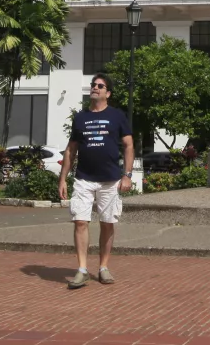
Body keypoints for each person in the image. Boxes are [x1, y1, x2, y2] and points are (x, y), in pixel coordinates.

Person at [58, 73, 133, 289]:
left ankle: (103, 267)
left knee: (108, 223)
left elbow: (128, 145)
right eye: (93, 85)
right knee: (80, 221)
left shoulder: (117, 116)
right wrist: (63, 179)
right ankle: (82, 269)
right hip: (83, 179)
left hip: (110, 180)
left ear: (107, 93)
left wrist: (126, 175)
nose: (95, 88)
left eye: (100, 86)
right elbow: (71, 149)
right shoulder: (80, 118)